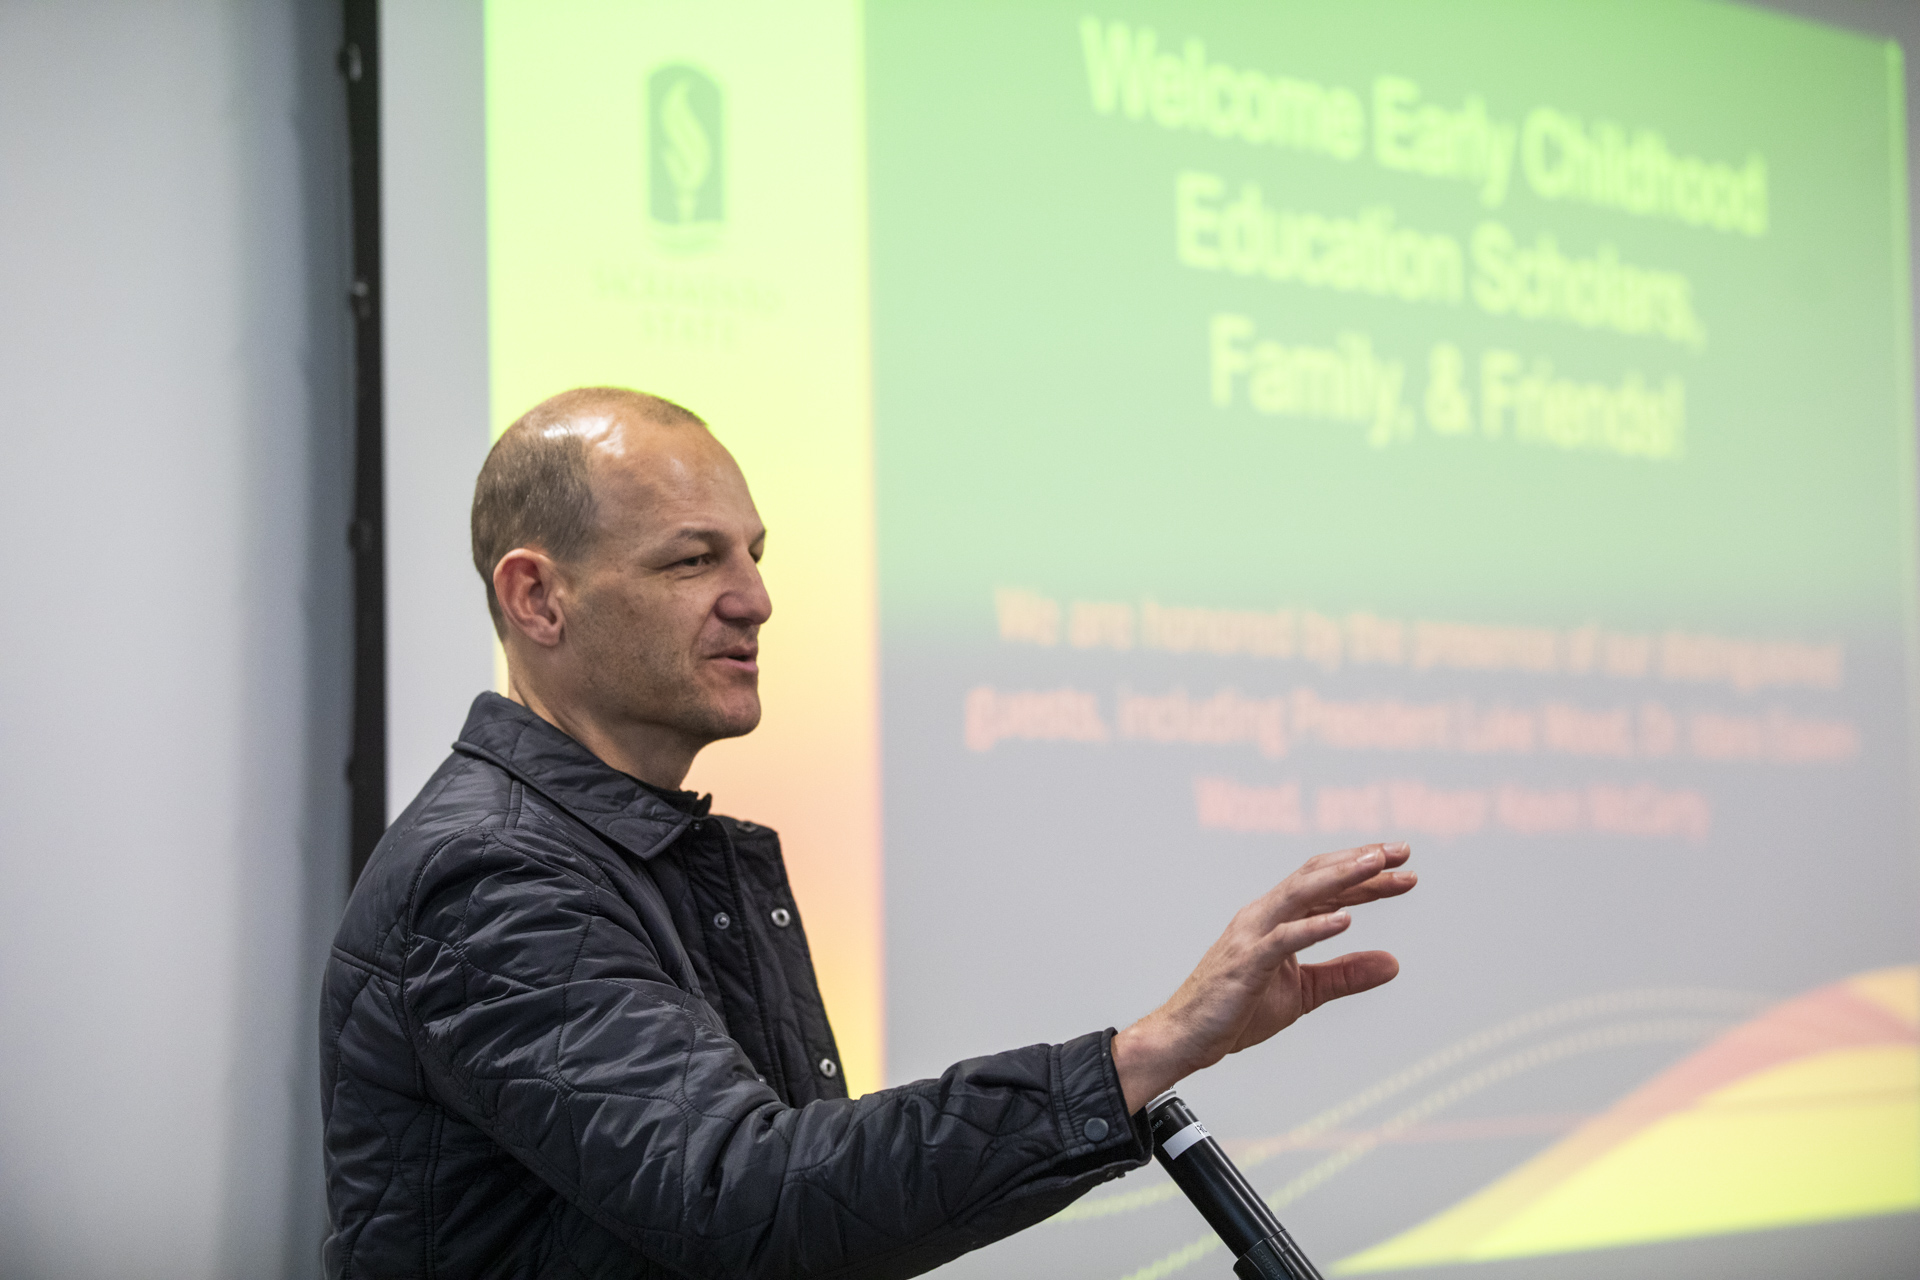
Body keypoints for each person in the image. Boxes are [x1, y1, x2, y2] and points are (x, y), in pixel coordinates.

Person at [319, 387, 1416, 1278]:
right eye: (692, 558)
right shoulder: (492, 873)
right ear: (537, 598)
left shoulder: (641, 854)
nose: (756, 597)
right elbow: (742, 1199)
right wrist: (1142, 1054)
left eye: (753, 552)